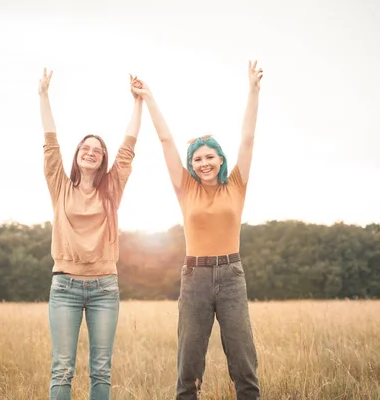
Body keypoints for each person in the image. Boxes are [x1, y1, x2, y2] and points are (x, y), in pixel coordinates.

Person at [131, 61, 264, 400]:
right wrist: (148, 98)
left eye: (210, 157)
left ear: (220, 159)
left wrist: (253, 90)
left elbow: (247, 138)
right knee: (189, 366)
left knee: (243, 363)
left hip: (232, 275)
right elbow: (165, 139)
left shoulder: (236, 185)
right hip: (195, 278)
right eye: (197, 160)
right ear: (191, 165)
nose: (204, 164)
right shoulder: (185, 188)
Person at [39, 68, 143, 400]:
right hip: (65, 286)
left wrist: (138, 102)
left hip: (104, 288)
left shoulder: (112, 188)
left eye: (97, 149)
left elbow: (128, 146)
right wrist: (43, 95)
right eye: (86, 146)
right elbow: (50, 141)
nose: (91, 150)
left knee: (101, 369)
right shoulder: (60, 184)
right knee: (62, 368)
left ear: (102, 160)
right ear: (78, 154)